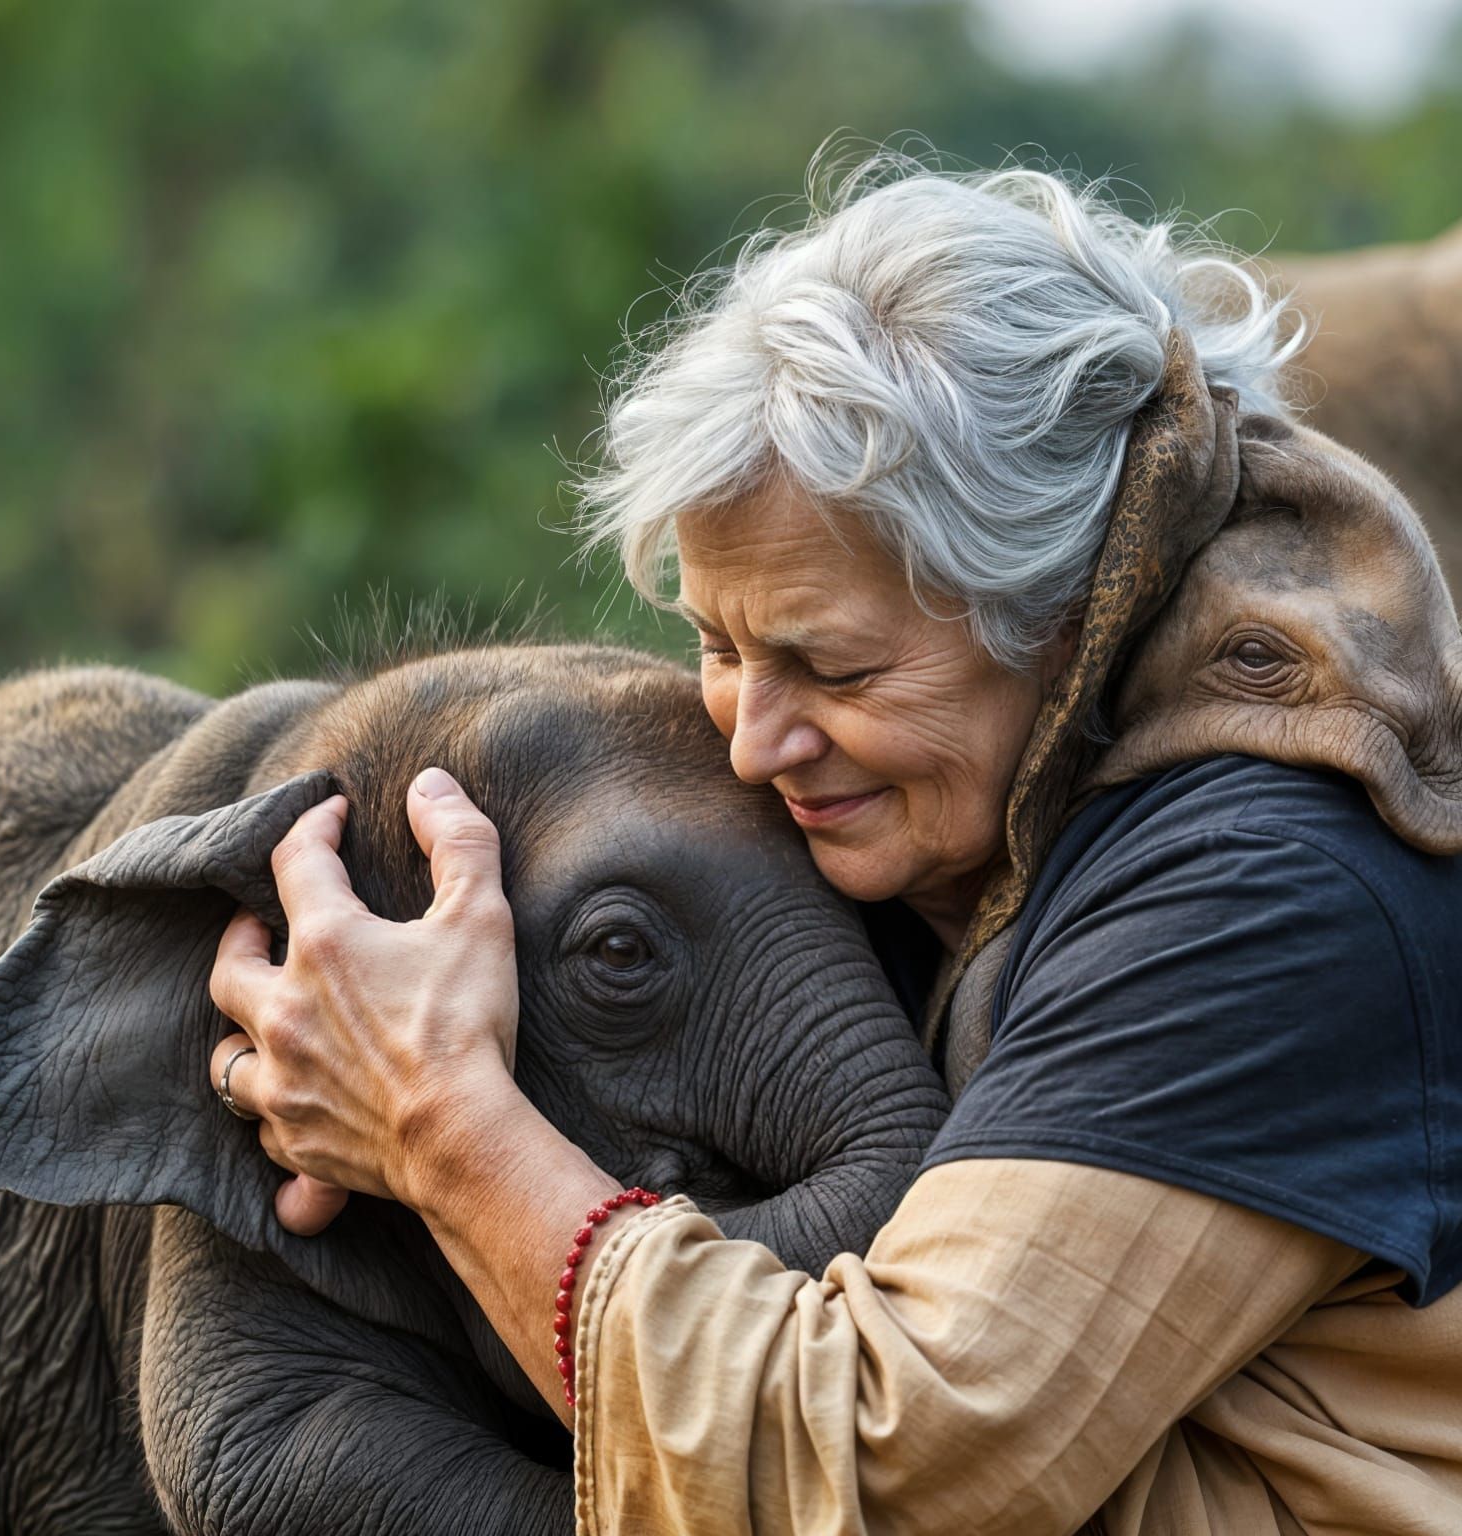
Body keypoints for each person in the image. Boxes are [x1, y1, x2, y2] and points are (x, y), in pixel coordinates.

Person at [205, 154, 1462, 1534]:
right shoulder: (990, 797)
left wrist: (440, 1126)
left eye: (837, 670)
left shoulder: (1266, 885)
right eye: (717, 645)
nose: (752, 743)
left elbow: (868, 1471)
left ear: (1065, 609)